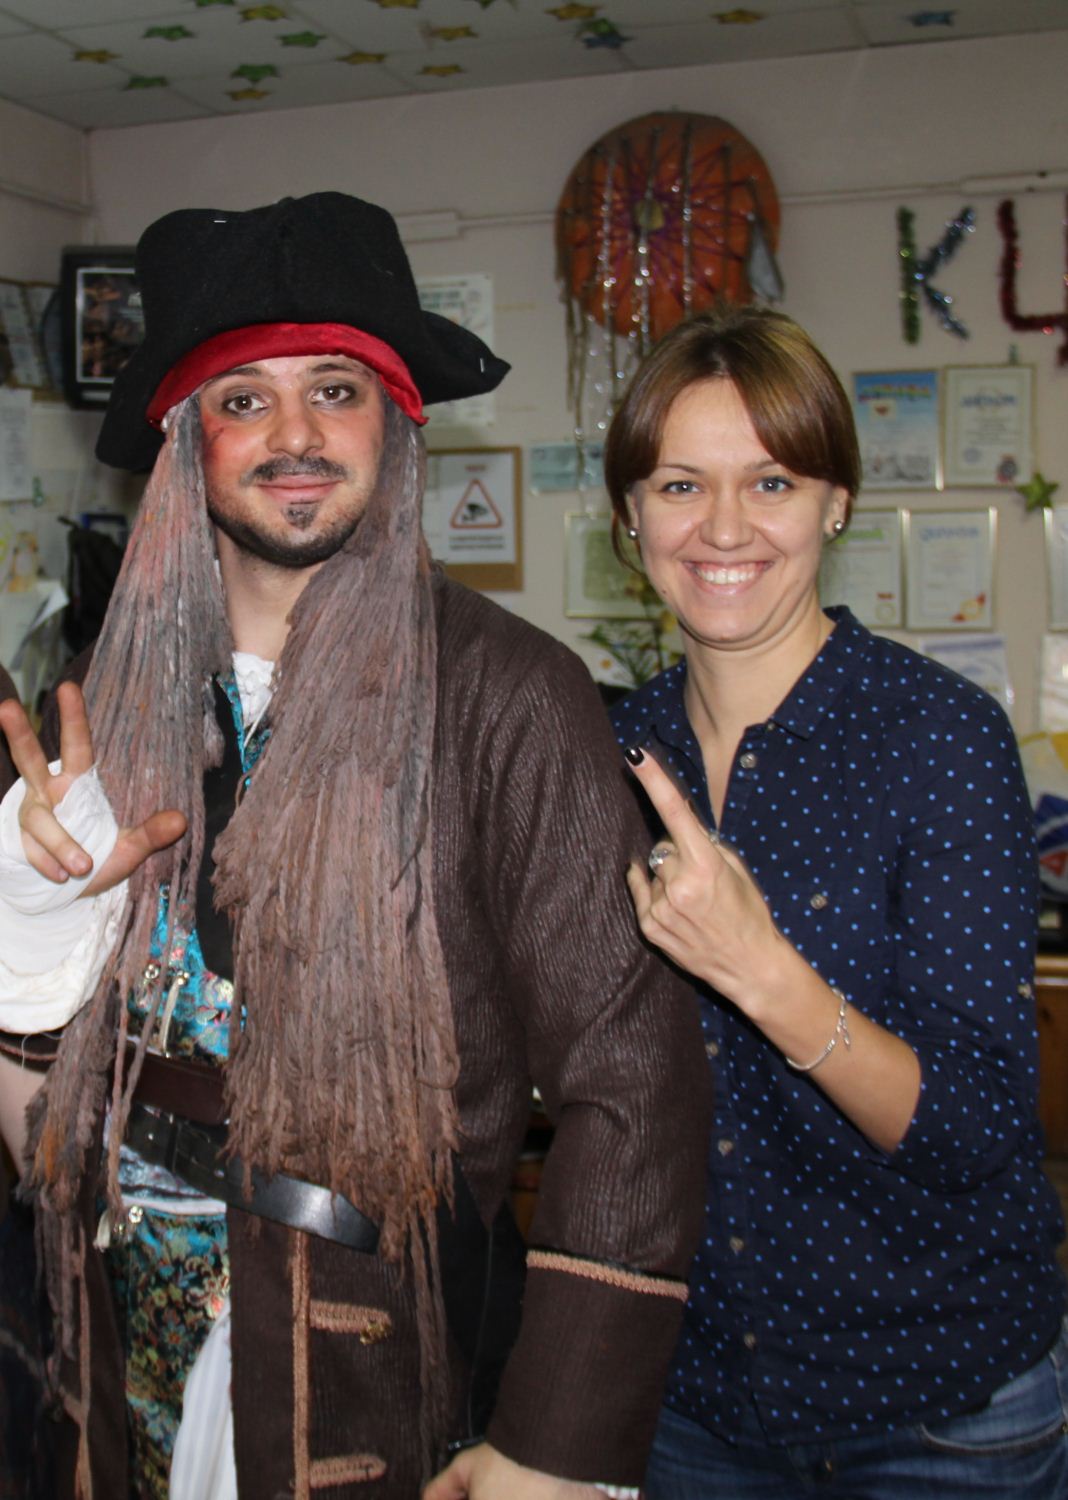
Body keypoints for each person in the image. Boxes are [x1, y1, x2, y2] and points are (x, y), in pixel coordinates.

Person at [0, 192, 709, 1500]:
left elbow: (633, 1086)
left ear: (397, 419)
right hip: (116, 1355)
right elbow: (40, 1126)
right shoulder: (103, 705)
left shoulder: (508, 697)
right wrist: (23, 958)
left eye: (335, 389)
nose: (296, 436)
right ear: (184, 441)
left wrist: (555, 1447)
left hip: (381, 1371)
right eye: (244, 400)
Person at [603, 304, 1068, 1499]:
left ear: (836, 502)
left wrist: (766, 975)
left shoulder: (939, 738)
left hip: (937, 1411)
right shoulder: (612, 752)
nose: (723, 528)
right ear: (629, 514)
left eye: (772, 482)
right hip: (694, 1401)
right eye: (679, 485)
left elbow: (977, 1131)